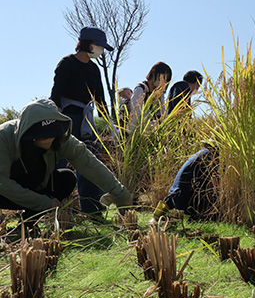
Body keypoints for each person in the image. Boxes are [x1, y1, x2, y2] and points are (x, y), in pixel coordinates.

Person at [0, 99, 133, 233]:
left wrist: (120, 193)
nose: (48, 139)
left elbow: (90, 164)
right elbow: (2, 183)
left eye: (51, 134)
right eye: (40, 135)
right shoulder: (4, 137)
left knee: (66, 178)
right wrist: (45, 203)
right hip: (4, 193)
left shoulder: (63, 140)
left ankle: (27, 224)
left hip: (35, 185)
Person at [50, 26, 113, 214]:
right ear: (89, 44)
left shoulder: (94, 69)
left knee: (90, 163)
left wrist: (110, 124)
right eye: (99, 46)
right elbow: (56, 93)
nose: (101, 51)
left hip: (87, 122)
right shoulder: (67, 63)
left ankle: (93, 210)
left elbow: (100, 98)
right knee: (58, 162)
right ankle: (51, 209)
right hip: (66, 118)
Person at [151, 141, 218, 223]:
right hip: (184, 198)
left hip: (175, 195)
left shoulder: (202, 152)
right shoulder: (210, 156)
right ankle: (198, 217)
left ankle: (156, 217)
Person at [129, 62, 173, 130]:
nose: (163, 82)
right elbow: (137, 115)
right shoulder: (141, 89)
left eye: (166, 80)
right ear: (153, 73)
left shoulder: (158, 96)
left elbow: (163, 116)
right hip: (136, 133)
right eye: (162, 78)